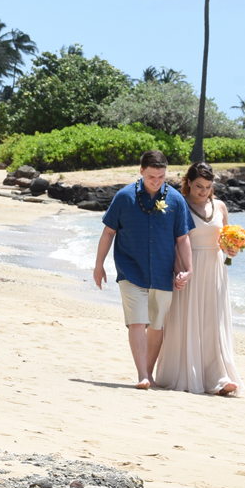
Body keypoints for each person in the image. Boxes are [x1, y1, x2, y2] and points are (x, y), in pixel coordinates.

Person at [93, 150, 193, 389]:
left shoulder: (176, 200)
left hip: (162, 272)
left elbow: (182, 238)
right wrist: (99, 265)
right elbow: (108, 232)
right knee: (137, 321)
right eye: (151, 176)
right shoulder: (124, 197)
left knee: (156, 325)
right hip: (130, 270)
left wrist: (189, 269)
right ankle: (142, 376)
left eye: (161, 176)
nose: (156, 181)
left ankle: (149, 372)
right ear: (141, 171)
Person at [155, 162, 244, 396]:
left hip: (215, 270)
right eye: (198, 186)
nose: (203, 191)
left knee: (213, 323)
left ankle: (218, 377)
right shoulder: (178, 204)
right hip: (188, 268)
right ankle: (186, 374)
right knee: (185, 321)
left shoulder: (220, 206)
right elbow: (171, 241)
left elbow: (226, 240)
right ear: (188, 183)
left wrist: (232, 250)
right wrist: (178, 270)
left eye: (208, 186)